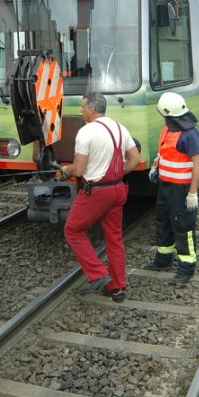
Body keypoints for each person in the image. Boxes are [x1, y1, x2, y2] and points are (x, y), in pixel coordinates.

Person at [64, 92, 141, 302]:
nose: (81, 111)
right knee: (114, 239)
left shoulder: (86, 132)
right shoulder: (119, 128)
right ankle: (117, 287)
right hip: (117, 189)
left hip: (96, 191)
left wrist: (66, 171)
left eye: (83, 107)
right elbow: (135, 159)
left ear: (92, 109)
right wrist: (118, 174)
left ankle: (97, 273)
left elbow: (79, 171)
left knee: (73, 230)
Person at [146, 91, 199, 284]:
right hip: (165, 187)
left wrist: (193, 193)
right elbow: (163, 152)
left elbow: (198, 163)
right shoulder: (168, 130)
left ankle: (186, 268)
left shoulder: (189, 134)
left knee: (182, 227)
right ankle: (163, 260)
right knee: (163, 222)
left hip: (181, 190)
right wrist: (155, 166)